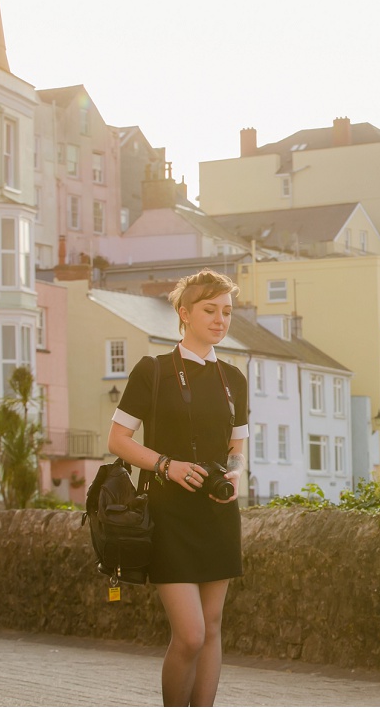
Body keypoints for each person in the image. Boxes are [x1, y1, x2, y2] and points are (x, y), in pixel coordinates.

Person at [107, 269, 248, 706]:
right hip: (168, 514)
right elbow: (118, 440)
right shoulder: (151, 371)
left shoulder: (234, 379)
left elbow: (237, 445)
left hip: (217, 513)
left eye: (226, 311)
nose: (220, 319)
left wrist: (234, 474)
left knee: (212, 627)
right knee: (189, 635)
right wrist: (166, 465)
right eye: (210, 310)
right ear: (184, 314)